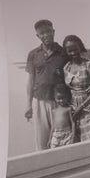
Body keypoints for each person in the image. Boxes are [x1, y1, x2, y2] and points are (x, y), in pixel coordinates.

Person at [25, 20, 68, 150]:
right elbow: (30, 80)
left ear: (53, 32)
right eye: (42, 33)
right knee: (42, 143)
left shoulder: (63, 53)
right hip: (39, 101)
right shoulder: (33, 54)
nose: (46, 35)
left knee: (61, 140)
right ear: (38, 36)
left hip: (59, 102)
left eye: (48, 31)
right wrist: (28, 105)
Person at [63, 35, 90, 142]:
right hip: (74, 107)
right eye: (69, 50)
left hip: (88, 106)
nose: (73, 53)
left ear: (80, 47)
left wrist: (81, 107)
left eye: (75, 49)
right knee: (78, 140)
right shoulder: (66, 67)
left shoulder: (88, 65)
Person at [48, 84, 75, 148]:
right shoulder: (54, 111)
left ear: (67, 97)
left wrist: (73, 136)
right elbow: (53, 126)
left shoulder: (68, 109)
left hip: (67, 134)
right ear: (55, 98)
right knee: (54, 152)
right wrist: (49, 139)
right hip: (56, 135)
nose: (61, 100)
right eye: (59, 98)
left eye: (63, 98)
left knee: (67, 151)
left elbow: (73, 123)